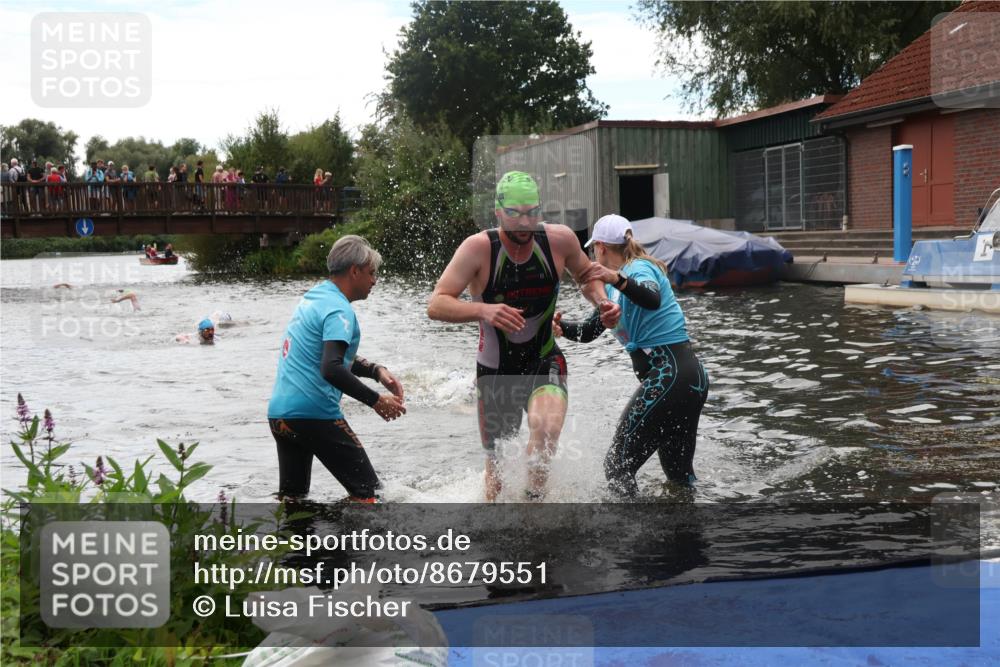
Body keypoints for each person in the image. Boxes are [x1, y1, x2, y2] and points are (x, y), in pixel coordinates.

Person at [427, 171, 620, 502]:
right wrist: (482, 310)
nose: (525, 223)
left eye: (532, 212)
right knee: (497, 472)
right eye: (515, 214)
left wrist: (602, 301)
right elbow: (437, 303)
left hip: (543, 356)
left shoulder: (559, 240)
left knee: (546, 430)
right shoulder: (477, 248)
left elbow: (587, 276)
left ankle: (533, 505)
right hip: (496, 369)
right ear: (498, 212)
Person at [553, 215, 710, 498]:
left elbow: (651, 298)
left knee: (617, 467)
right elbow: (589, 331)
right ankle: (686, 538)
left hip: (670, 377)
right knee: (678, 479)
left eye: (592, 250)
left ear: (599, 247)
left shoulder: (640, 268)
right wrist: (560, 327)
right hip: (688, 380)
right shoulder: (614, 291)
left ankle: (632, 536)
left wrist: (614, 277)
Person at [267, 235, 405, 502]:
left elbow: (326, 356)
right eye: (371, 273)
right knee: (370, 495)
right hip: (314, 415)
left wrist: (376, 370)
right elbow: (330, 368)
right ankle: (354, 543)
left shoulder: (314, 298)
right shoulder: (339, 310)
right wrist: (376, 401)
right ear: (355, 271)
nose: (374, 281)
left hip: (281, 416)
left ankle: (300, 543)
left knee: (295, 501)